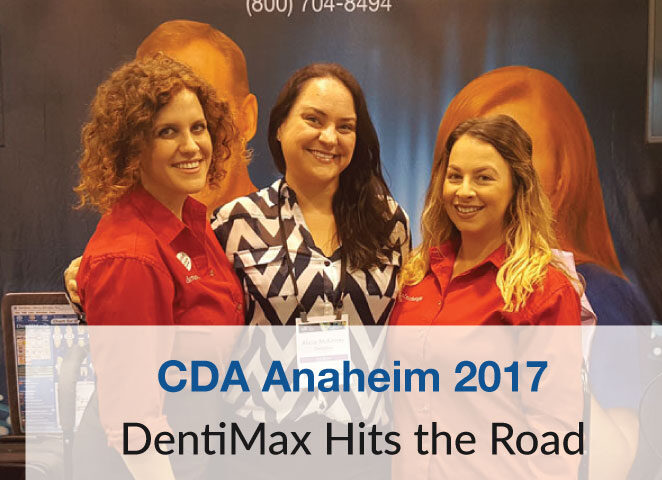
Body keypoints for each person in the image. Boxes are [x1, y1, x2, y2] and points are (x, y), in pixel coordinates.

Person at [71, 54, 244, 479]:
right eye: (168, 131)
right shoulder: (131, 256)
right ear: (132, 146)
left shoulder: (189, 221)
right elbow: (133, 420)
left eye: (198, 127)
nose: (192, 146)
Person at [434, 66, 655, 326]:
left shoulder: (587, 294)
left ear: (564, 172)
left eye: (516, 153)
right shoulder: (420, 275)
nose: (467, 190)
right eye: (456, 173)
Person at [211, 63, 409, 327]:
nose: (329, 138)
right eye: (314, 120)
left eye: (345, 127)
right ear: (280, 127)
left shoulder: (388, 220)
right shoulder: (234, 222)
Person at [390, 114, 581, 325]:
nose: (464, 191)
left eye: (484, 178)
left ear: (517, 188)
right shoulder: (416, 272)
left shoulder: (547, 291)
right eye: (455, 176)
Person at [136, 20, 259, 211]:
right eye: (166, 129)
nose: (189, 146)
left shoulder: (282, 227)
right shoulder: (128, 228)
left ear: (247, 119)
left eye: (210, 112)